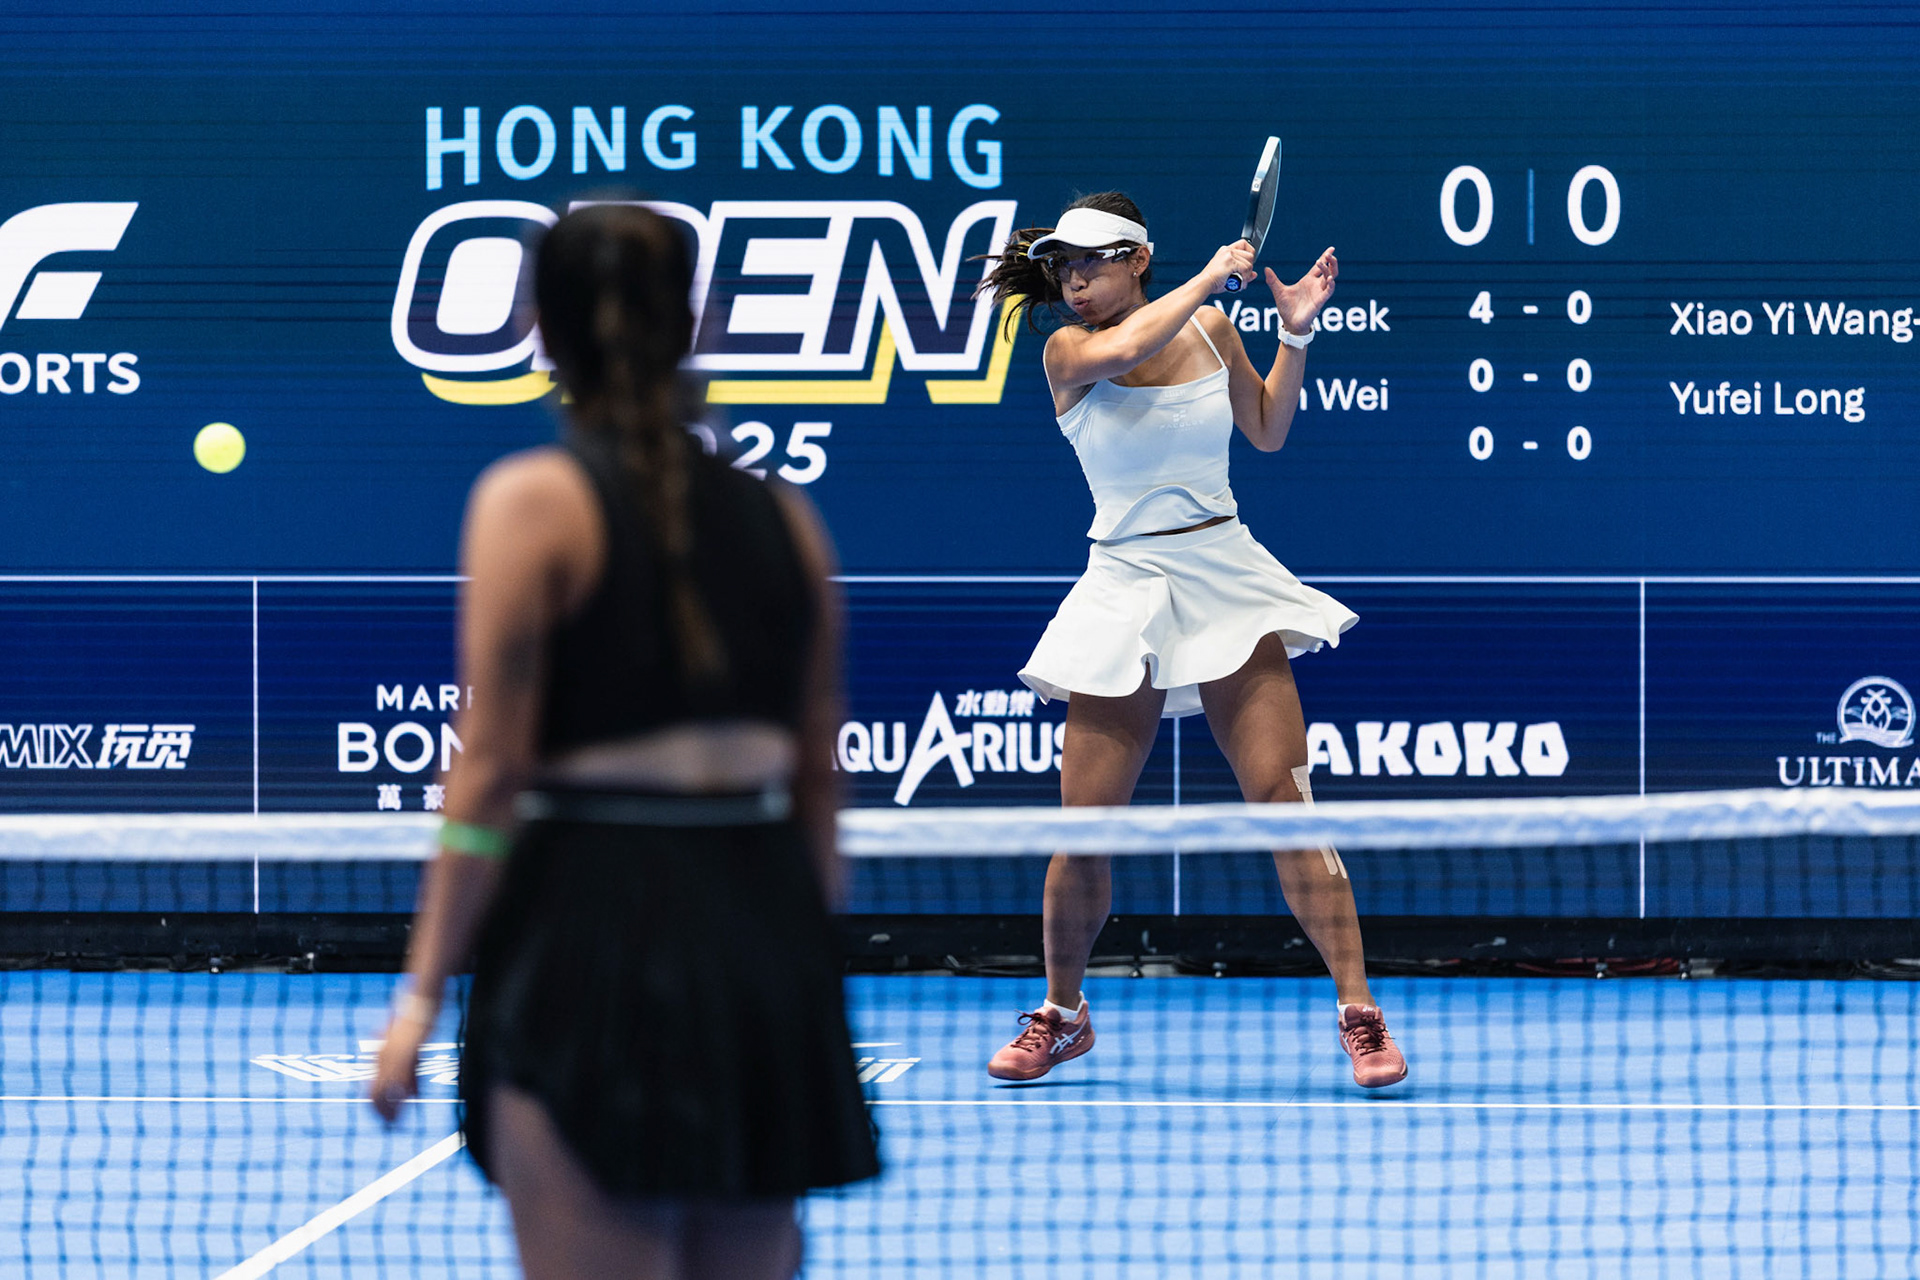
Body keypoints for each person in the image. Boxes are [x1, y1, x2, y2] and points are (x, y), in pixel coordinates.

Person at [368, 201, 877, 1279]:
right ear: (690, 325)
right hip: (761, 934)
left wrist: (419, 996)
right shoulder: (788, 517)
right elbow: (817, 788)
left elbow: (491, 774)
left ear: (543, 331)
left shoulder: (528, 504)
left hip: (586, 932)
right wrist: (792, 968)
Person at [978, 193, 1407, 1090]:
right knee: (1082, 833)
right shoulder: (1068, 352)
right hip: (1123, 585)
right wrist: (1212, 274)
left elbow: (1268, 430)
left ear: (1138, 257)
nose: (1074, 281)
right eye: (1063, 267)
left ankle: (1359, 1014)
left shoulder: (1212, 330)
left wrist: (1294, 336)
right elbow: (1128, 349)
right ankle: (1062, 1013)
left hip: (1225, 571)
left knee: (1286, 800)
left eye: (1091, 262)